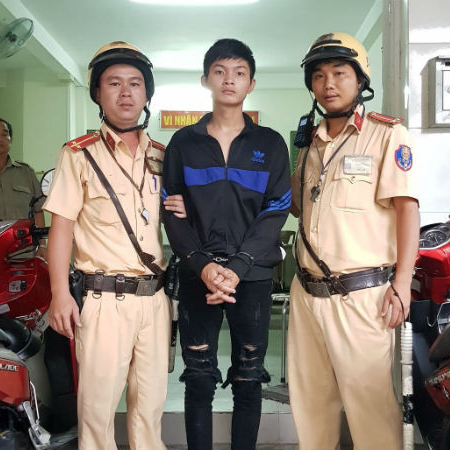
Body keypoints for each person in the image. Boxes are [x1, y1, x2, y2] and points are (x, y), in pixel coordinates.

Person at [44, 41, 184, 450]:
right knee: (98, 410)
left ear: (146, 94)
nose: (126, 92)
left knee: (150, 408)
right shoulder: (78, 155)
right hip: (104, 300)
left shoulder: (163, 157)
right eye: (114, 83)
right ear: (98, 94)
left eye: (135, 83)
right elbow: (62, 229)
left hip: (155, 300)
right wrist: (59, 295)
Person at [287, 32, 420, 450]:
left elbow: (407, 210)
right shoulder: (309, 141)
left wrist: (402, 283)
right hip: (306, 293)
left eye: (339, 73)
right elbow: (296, 205)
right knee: (310, 406)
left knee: (370, 407)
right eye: (319, 76)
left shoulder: (386, 135)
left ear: (360, 79)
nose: (328, 84)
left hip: (360, 296)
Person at [162, 38, 291, 450]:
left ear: (251, 83)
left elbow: (277, 209)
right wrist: (202, 265)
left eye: (238, 73)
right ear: (206, 80)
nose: (229, 80)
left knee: (248, 377)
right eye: (219, 72)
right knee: (199, 377)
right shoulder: (184, 143)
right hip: (196, 274)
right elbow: (171, 211)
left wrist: (237, 266)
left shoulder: (270, 144)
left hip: (250, 277)